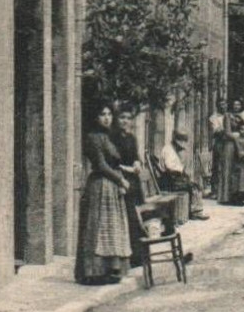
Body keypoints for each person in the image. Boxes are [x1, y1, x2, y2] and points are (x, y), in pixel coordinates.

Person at [77, 104, 134, 284]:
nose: (107, 118)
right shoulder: (92, 138)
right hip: (100, 185)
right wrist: (120, 180)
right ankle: (94, 271)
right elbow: (101, 166)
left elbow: (118, 161)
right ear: (96, 117)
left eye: (109, 114)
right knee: (99, 226)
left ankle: (112, 268)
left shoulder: (110, 137)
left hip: (113, 187)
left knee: (113, 227)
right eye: (102, 114)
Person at [110, 106, 147, 263]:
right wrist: (130, 168)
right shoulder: (112, 138)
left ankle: (137, 256)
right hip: (121, 179)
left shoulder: (132, 138)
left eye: (128, 118)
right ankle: (127, 257)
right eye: (122, 117)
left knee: (134, 217)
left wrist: (137, 163)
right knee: (125, 217)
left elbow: (135, 156)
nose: (125, 121)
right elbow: (113, 162)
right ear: (117, 120)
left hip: (133, 181)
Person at [156, 131, 209, 220]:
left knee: (194, 185)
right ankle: (195, 212)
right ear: (177, 141)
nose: (182, 146)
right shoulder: (168, 150)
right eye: (181, 142)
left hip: (172, 178)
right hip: (168, 180)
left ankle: (192, 210)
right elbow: (171, 168)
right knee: (194, 187)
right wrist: (182, 171)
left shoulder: (171, 149)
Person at [207, 100, 229, 198]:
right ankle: (215, 190)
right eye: (221, 105)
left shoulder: (229, 115)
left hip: (229, 143)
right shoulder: (213, 118)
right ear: (217, 106)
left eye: (224, 104)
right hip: (219, 143)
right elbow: (216, 131)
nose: (223, 107)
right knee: (217, 166)